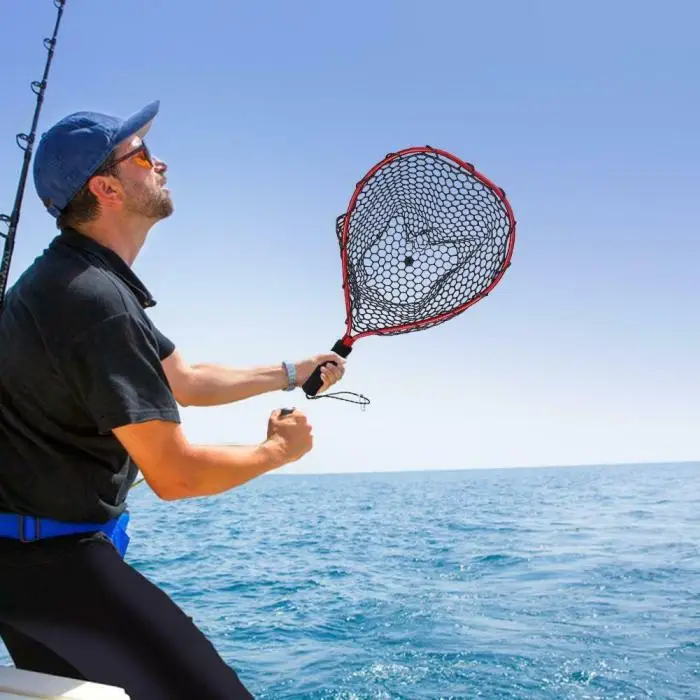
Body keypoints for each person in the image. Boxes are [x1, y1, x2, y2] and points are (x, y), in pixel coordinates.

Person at [0, 100, 345, 699]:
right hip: (49, 564)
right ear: (106, 188)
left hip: (29, 557)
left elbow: (184, 378)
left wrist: (292, 372)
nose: (160, 163)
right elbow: (176, 475)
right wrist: (277, 452)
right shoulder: (93, 302)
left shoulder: (75, 279)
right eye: (141, 155)